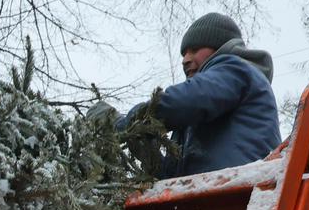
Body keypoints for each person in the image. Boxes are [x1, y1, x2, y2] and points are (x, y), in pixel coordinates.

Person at [117, 11, 281, 178]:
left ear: (219, 48)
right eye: (184, 54)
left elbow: (179, 103)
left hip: (242, 187)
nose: (185, 60)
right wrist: (147, 151)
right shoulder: (199, 113)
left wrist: (123, 123)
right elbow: (175, 177)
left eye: (194, 50)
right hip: (212, 189)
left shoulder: (235, 70)